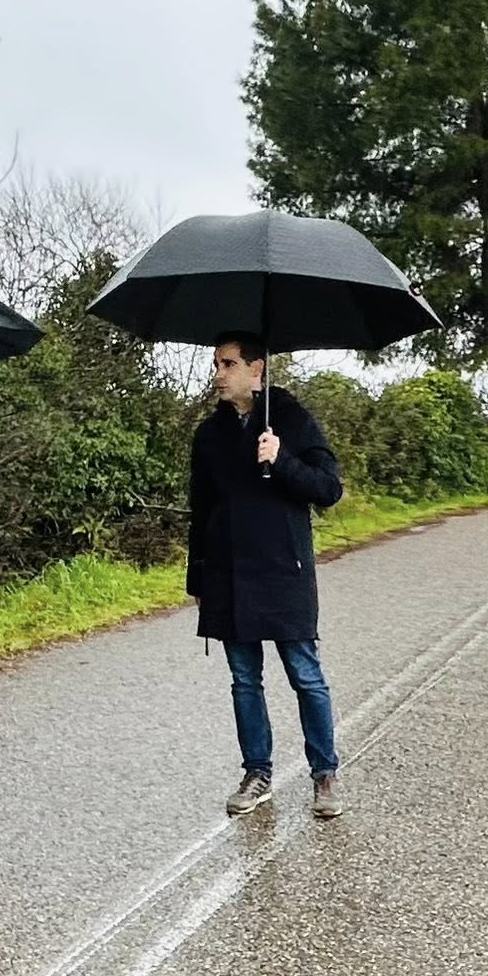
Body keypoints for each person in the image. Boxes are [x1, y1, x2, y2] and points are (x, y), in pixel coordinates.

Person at [187, 336, 348, 820]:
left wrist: (281, 460)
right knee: (243, 680)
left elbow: (328, 489)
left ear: (257, 369)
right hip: (228, 573)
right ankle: (257, 771)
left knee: (305, 676)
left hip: (284, 571)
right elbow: (201, 509)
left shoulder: (291, 419)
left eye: (229, 364)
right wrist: (198, 578)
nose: (219, 373)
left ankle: (324, 773)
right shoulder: (209, 434)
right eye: (216, 363)